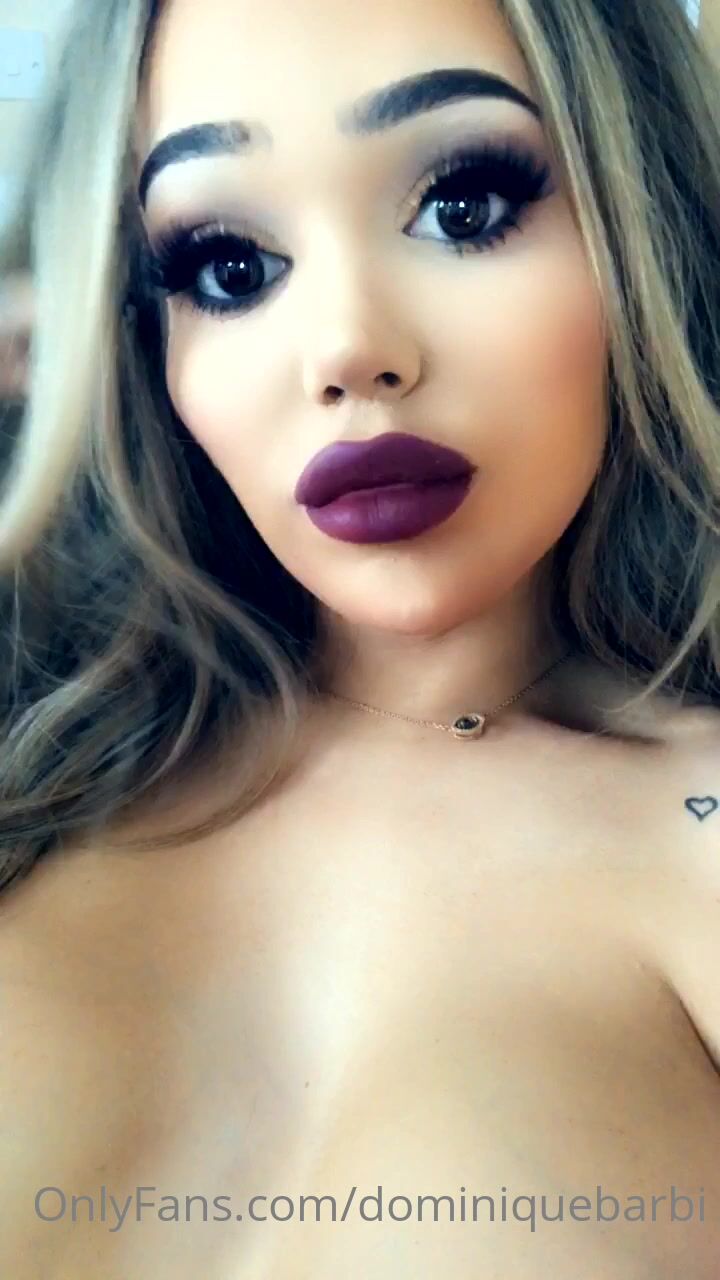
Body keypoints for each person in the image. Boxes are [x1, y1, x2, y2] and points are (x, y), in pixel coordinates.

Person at [0, 0, 719, 1274]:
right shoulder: (32, 771)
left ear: (641, 223)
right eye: (229, 266)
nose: (346, 349)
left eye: (464, 206)